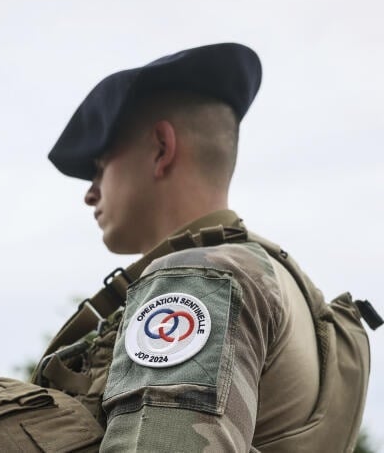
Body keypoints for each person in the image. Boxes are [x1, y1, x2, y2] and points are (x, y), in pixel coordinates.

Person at [42, 43, 369, 451]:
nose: (91, 194)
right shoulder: (269, 274)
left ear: (162, 148)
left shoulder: (199, 278)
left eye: (100, 168)